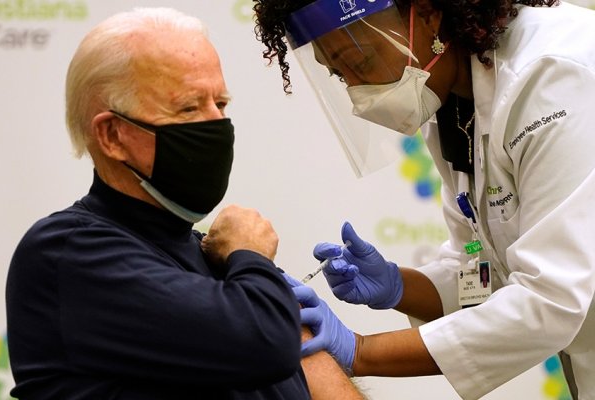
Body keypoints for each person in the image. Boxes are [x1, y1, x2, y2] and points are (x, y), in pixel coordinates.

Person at [5, 7, 365, 400]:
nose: (218, 126)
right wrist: (253, 259)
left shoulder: (219, 258)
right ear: (112, 135)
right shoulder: (68, 252)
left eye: (221, 105)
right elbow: (265, 344)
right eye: (189, 108)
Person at [252, 0, 595, 399]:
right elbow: (484, 269)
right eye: (338, 74)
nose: (357, 95)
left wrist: (360, 351)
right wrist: (399, 286)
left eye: (360, 62)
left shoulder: (553, 76)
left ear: (429, 13)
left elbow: (549, 302)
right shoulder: (452, 105)